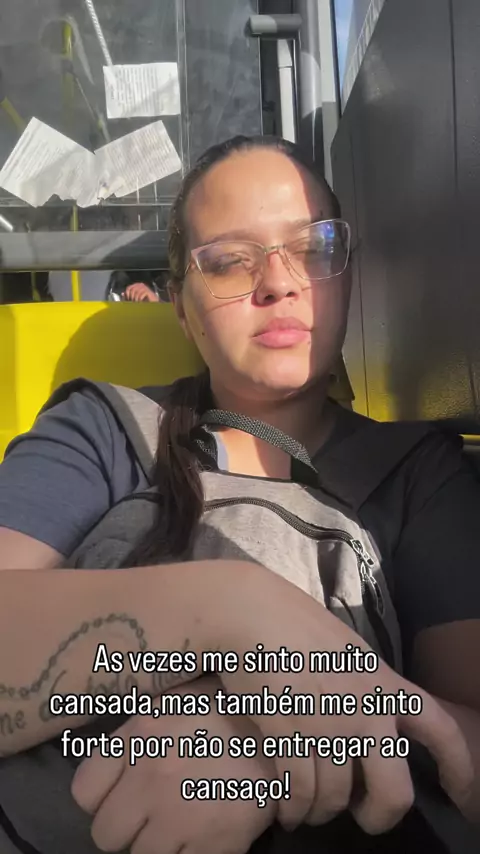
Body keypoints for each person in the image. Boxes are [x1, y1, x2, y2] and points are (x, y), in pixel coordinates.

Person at [0, 135, 479, 854]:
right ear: (182, 308)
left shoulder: (416, 474)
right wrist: (230, 611)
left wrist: (261, 746)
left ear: (347, 275)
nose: (279, 282)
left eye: (312, 247)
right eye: (228, 260)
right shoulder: (103, 431)